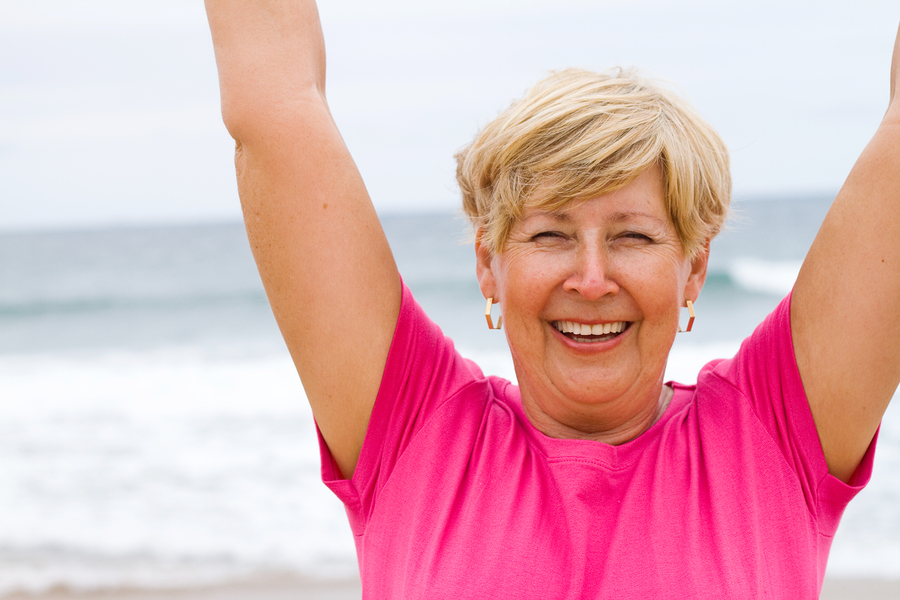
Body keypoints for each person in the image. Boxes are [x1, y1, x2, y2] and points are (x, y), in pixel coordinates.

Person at [205, 1, 900, 597]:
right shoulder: (413, 430)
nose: (592, 279)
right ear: (488, 263)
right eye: (549, 234)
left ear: (694, 270)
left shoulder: (774, 435)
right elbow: (275, 109)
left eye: (632, 236)